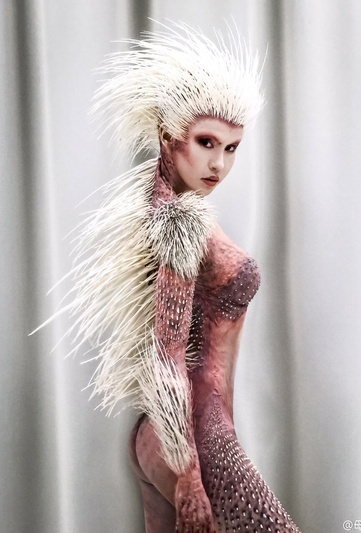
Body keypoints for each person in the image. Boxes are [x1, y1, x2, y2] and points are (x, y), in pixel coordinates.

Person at [61, 22, 302, 532]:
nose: (219, 164)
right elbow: (166, 351)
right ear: (168, 136)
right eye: (207, 142)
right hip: (194, 439)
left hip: (167, 437)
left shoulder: (162, 205)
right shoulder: (180, 221)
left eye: (232, 148)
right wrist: (190, 474)